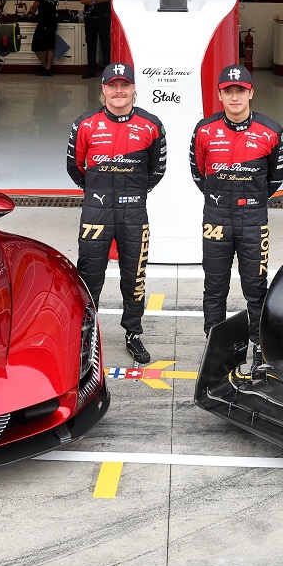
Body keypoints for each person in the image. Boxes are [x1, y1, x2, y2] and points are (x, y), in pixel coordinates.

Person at [67, 63, 167, 364]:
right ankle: (86, 335)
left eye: (124, 85)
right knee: (89, 276)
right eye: (112, 85)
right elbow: (76, 168)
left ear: (134, 88)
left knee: (134, 276)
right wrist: (101, 193)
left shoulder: (151, 125)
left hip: (134, 211)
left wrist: (132, 193)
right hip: (96, 210)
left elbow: (156, 170)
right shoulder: (84, 124)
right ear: (103, 89)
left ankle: (133, 333)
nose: (119, 91)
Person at [189, 65, 283, 365]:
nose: (235, 97)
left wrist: (251, 201)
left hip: (253, 219)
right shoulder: (204, 130)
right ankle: (214, 343)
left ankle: (259, 346)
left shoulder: (271, 132)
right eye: (228, 91)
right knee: (214, 285)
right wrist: (222, 200)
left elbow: (275, 178)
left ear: (251, 93)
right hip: (216, 218)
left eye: (240, 91)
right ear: (220, 95)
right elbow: (198, 174)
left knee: (255, 287)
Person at [81, 0, 118, 79]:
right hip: (90, 18)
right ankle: (91, 69)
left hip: (104, 18)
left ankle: (107, 70)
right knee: (90, 44)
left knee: (106, 44)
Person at [28, 0, 62, 76]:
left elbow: (35, 6)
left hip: (44, 22)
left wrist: (31, 12)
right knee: (49, 46)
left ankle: (44, 67)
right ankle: (48, 69)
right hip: (52, 21)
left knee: (36, 46)